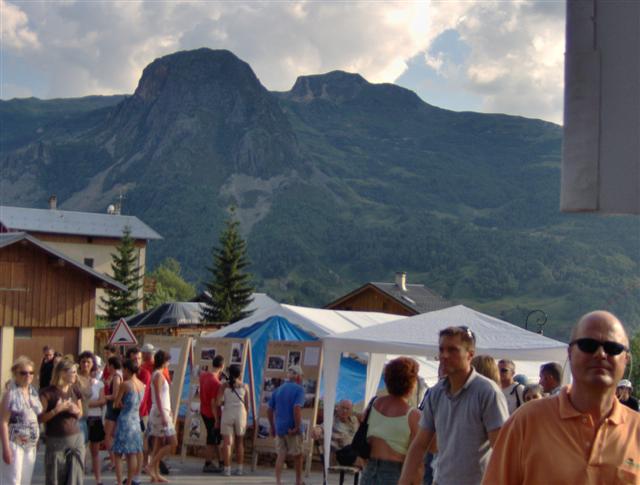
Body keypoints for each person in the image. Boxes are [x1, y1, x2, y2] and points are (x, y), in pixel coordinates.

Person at [483, 310, 640, 484]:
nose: (601, 354)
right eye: (588, 345)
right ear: (570, 353)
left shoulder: (636, 431)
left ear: (625, 359)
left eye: (613, 348)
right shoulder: (526, 422)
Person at [398, 326, 509, 485]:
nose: (444, 355)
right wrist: (404, 480)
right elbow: (419, 444)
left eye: (452, 350)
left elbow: (501, 450)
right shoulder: (436, 393)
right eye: (441, 349)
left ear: (470, 355)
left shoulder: (487, 392)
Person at [361, 357, 421, 485]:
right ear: (411, 383)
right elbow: (416, 460)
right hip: (396, 474)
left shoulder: (374, 404)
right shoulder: (413, 415)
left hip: (370, 471)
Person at [39, 358, 85, 485]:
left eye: (76, 372)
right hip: (56, 442)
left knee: (74, 479)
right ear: (62, 373)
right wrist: (57, 410)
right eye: (73, 372)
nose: (76, 375)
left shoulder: (74, 390)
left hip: (76, 441)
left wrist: (76, 411)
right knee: (55, 478)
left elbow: (81, 413)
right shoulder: (47, 393)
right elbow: (40, 418)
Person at [0, 356, 42, 485]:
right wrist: (6, 448)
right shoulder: (10, 394)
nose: (27, 375)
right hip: (15, 443)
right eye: (23, 373)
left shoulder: (33, 393)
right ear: (15, 374)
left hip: (31, 444)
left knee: (25, 480)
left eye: (31, 372)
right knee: (13, 480)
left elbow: (35, 417)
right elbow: (3, 422)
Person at [268, 365, 306, 485]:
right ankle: (298, 481)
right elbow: (297, 408)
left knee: (281, 455)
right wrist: (297, 427)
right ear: (298, 377)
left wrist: (272, 426)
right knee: (298, 456)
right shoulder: (299, 390)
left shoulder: (278, 390)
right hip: (291, 428)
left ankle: (278, 482)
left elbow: (269, 409)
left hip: (280, 427)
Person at [112, 358, 145, 485]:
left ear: (126, 369)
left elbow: (116, 403)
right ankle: (130, 481)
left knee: (118, 454)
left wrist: (119, 403)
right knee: (132, 453)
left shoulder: (125, 384)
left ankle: (120, 482)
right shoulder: (141, 384)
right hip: (136, 420)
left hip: (125, 421)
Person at [148, 350, 177, 483]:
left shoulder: (157, 374)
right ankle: (151, 465)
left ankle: (155, 473)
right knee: (173, 443)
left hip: (162, 410)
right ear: (164, 362)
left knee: (158, 444)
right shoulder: (158, 375)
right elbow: (158, 397)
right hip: (160, 412)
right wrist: (164, 415)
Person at [218, 364, 249, 476]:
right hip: (240, 413)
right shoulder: (245, 386)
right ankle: (240, 468)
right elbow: (247, 404)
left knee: (227, 443)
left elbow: (218, 402)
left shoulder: (224, 386)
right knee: (240, 443)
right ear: (240, 374)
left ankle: (227, 469)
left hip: (227, 413)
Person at [126, 346, 151, 475]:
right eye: (135, 358)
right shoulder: (127, 374)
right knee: (133, 444)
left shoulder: (145, 373)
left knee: (141, 442)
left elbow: (144, 395)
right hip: (129, 414)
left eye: (139, 358)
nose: (137, 361)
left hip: (141, 413)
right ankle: (135, 469)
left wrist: (138, 412)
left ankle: (143, 466)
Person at [200, 354, 225, 473]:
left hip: (203, 410)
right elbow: (213, 403)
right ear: (222, 366)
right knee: (212, 439)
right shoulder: (216, 383)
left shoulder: (204, 376)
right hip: (211, 413)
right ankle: (208, 463)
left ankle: (220, 461)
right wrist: (217, 420)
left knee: (213, 438)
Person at [86, 360, 106, 485]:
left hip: (96, 418)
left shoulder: (100, 384)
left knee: (95, 451)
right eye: (92, 369)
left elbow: (102, 401)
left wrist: (88, 404)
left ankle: (98, 479)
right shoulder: (80, 383)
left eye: (96, 369)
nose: (94, 372)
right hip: (84, 418)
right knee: (81, 450)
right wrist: (94, 403)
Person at [104, 356, 123, 470]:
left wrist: (103, 397)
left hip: (113, 409)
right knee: (113, 436)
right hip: (115, 409)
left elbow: (115, 396)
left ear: (111, 365)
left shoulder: (116, 376)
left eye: (108, 365)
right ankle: (115, 460)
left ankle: (113, 461)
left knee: (107, 436)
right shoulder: (117, 375)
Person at [76, 351, 97, 444]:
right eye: (83, 361)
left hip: (90, 417)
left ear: (93, 364)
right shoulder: (76, 378)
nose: (85, 364)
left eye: (88, 362)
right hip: (78, 418)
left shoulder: (94, 380)